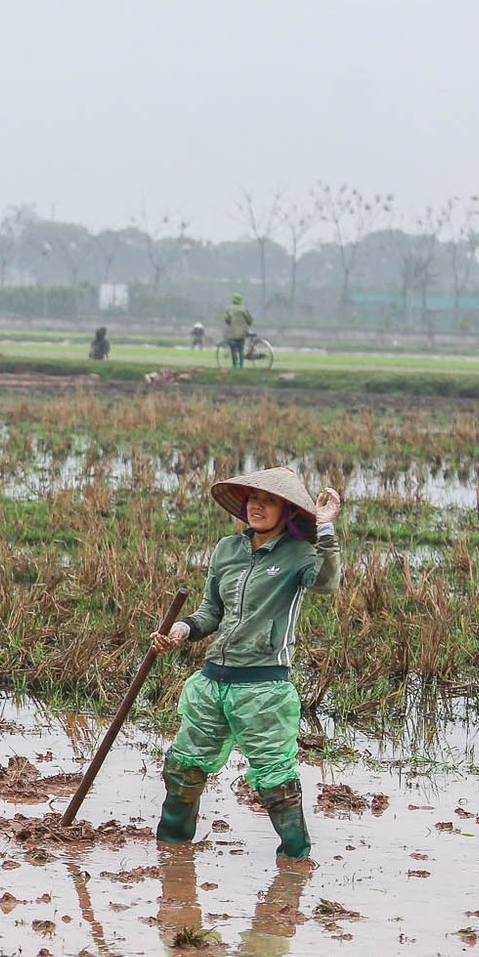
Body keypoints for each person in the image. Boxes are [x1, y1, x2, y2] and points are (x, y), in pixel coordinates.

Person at [149, 466, 343, 863]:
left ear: (286, 511)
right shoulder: (227, 550)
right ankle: (171, 854)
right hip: (212, 681)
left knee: (276, 783)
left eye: (269, 501)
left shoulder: (299, 554)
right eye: (254, 499)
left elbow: (327, 582)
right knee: (183, 769)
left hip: (263, 687)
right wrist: (182, 631)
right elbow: (209, 612)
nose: (258, 506)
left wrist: (325, 529)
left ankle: (295, 861)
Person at [223, 294, 255, 368]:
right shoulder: (243, 309)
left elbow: (226, 319)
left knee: (233, 350)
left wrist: (230, 324)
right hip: (242, 333)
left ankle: (234, 365)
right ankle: (241, 366)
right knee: (241, 349)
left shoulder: (229, 308)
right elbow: (250, 320)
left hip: (232, 333)